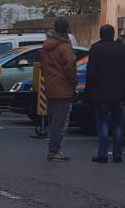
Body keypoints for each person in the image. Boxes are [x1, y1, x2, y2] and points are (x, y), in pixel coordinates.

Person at [84, 24, 125, 164]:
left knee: (102, 122)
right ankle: (117, 155)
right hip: (118, 92)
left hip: (100, 92)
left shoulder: (96, 49)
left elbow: (91, 73)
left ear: (101, 35)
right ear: (113, 34)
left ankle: (103, 154)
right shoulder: (122, 49)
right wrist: (121, 83)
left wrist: (88, 93)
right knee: (117, 124)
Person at [41, 17, 77, 162]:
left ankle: (53, 149)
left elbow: (43, 65)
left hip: (49, 86)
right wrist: (74, 83)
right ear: (67, 30)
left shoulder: (46, 45)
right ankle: (54, 150)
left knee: (53, 119)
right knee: (60, 121)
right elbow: (70, 68)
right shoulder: (65, 47)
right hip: (63, 88)